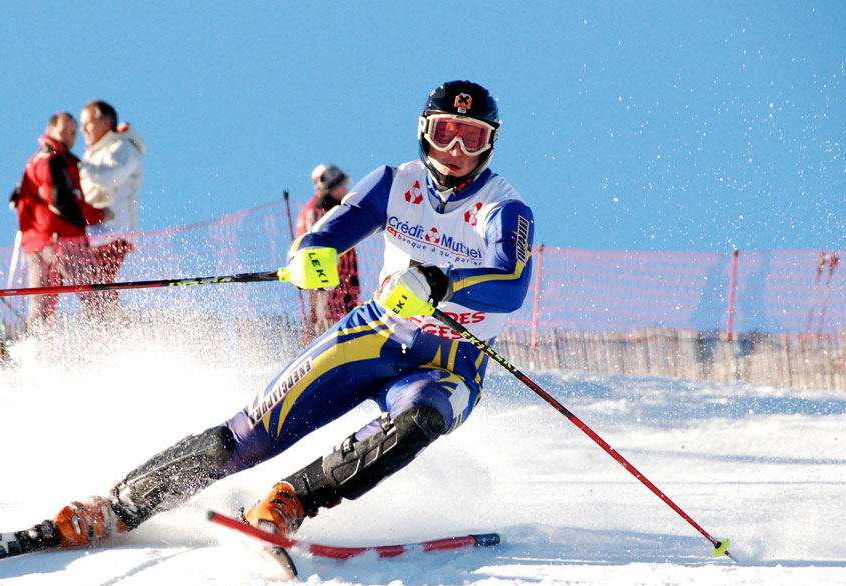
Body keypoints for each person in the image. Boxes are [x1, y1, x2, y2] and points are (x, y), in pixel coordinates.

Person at [44, 80, 535, 549]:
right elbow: (330, 231)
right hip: (373, 335)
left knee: (421, 419)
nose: (455, 150)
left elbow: (510, 281)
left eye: (472, 138)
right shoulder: (395, 182)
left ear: (490, 144)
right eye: (445, 132)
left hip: (450, 362)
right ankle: (117, 507)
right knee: (246, 438)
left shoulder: (503, 207)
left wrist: (442, 282)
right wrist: (310, 253)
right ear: (425, 131)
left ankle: (287, 504)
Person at [11, 112, 109, 321]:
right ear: (50, 130)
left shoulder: (35, 161)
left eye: (73, 133)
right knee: (95, 290)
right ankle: (110, 331)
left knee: (41, 303)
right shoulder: (54, 160)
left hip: (35, 242)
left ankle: (36, 340)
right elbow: (61, 200)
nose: (69, 137)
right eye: (64, 131)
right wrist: (97, 215)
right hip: (61, 239)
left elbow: (22, 197)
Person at [78, 100, 146, 299]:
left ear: (105, 123)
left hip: (114, 233)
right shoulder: (92, 154)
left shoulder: (122, 147)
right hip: (92, 233)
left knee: (100, 284)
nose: (83, 130)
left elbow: (110, 177)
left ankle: (109, 316)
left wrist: (77, 167)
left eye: (88, 124)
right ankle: (103, 315)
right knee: (91, 284)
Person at [295, 164, 361, 336]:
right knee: (327, 329)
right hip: (327, 287)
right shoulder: (317, 212)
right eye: (342, 185)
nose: (346, 189)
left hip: (345, 287)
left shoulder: (337, 211)